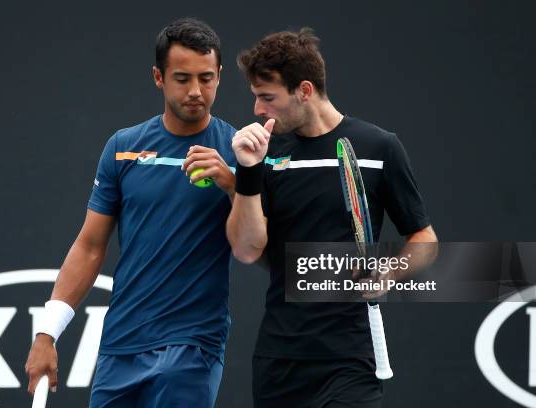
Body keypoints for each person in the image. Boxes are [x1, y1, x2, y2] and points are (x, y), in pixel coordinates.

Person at [25, 18, 236, 408]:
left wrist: (235, 184)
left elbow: (260, 241)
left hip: (192, 346)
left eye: (206, 78)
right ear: (158, 77)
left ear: (220, 76)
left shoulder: (240, 152)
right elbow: (89, 247)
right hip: (120, 346)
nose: (195, 91)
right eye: (182, 78)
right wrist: (46, 334)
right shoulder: (123, 148)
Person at [227, 29, 438, 408]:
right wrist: (247, 172)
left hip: (350, 361)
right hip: (279, 360)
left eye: (267, 98)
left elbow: (424, 240)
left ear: (304, 90)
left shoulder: (379, 147)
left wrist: (389, 273)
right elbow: (246, 250)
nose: (258, 110)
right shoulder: (265, 154)